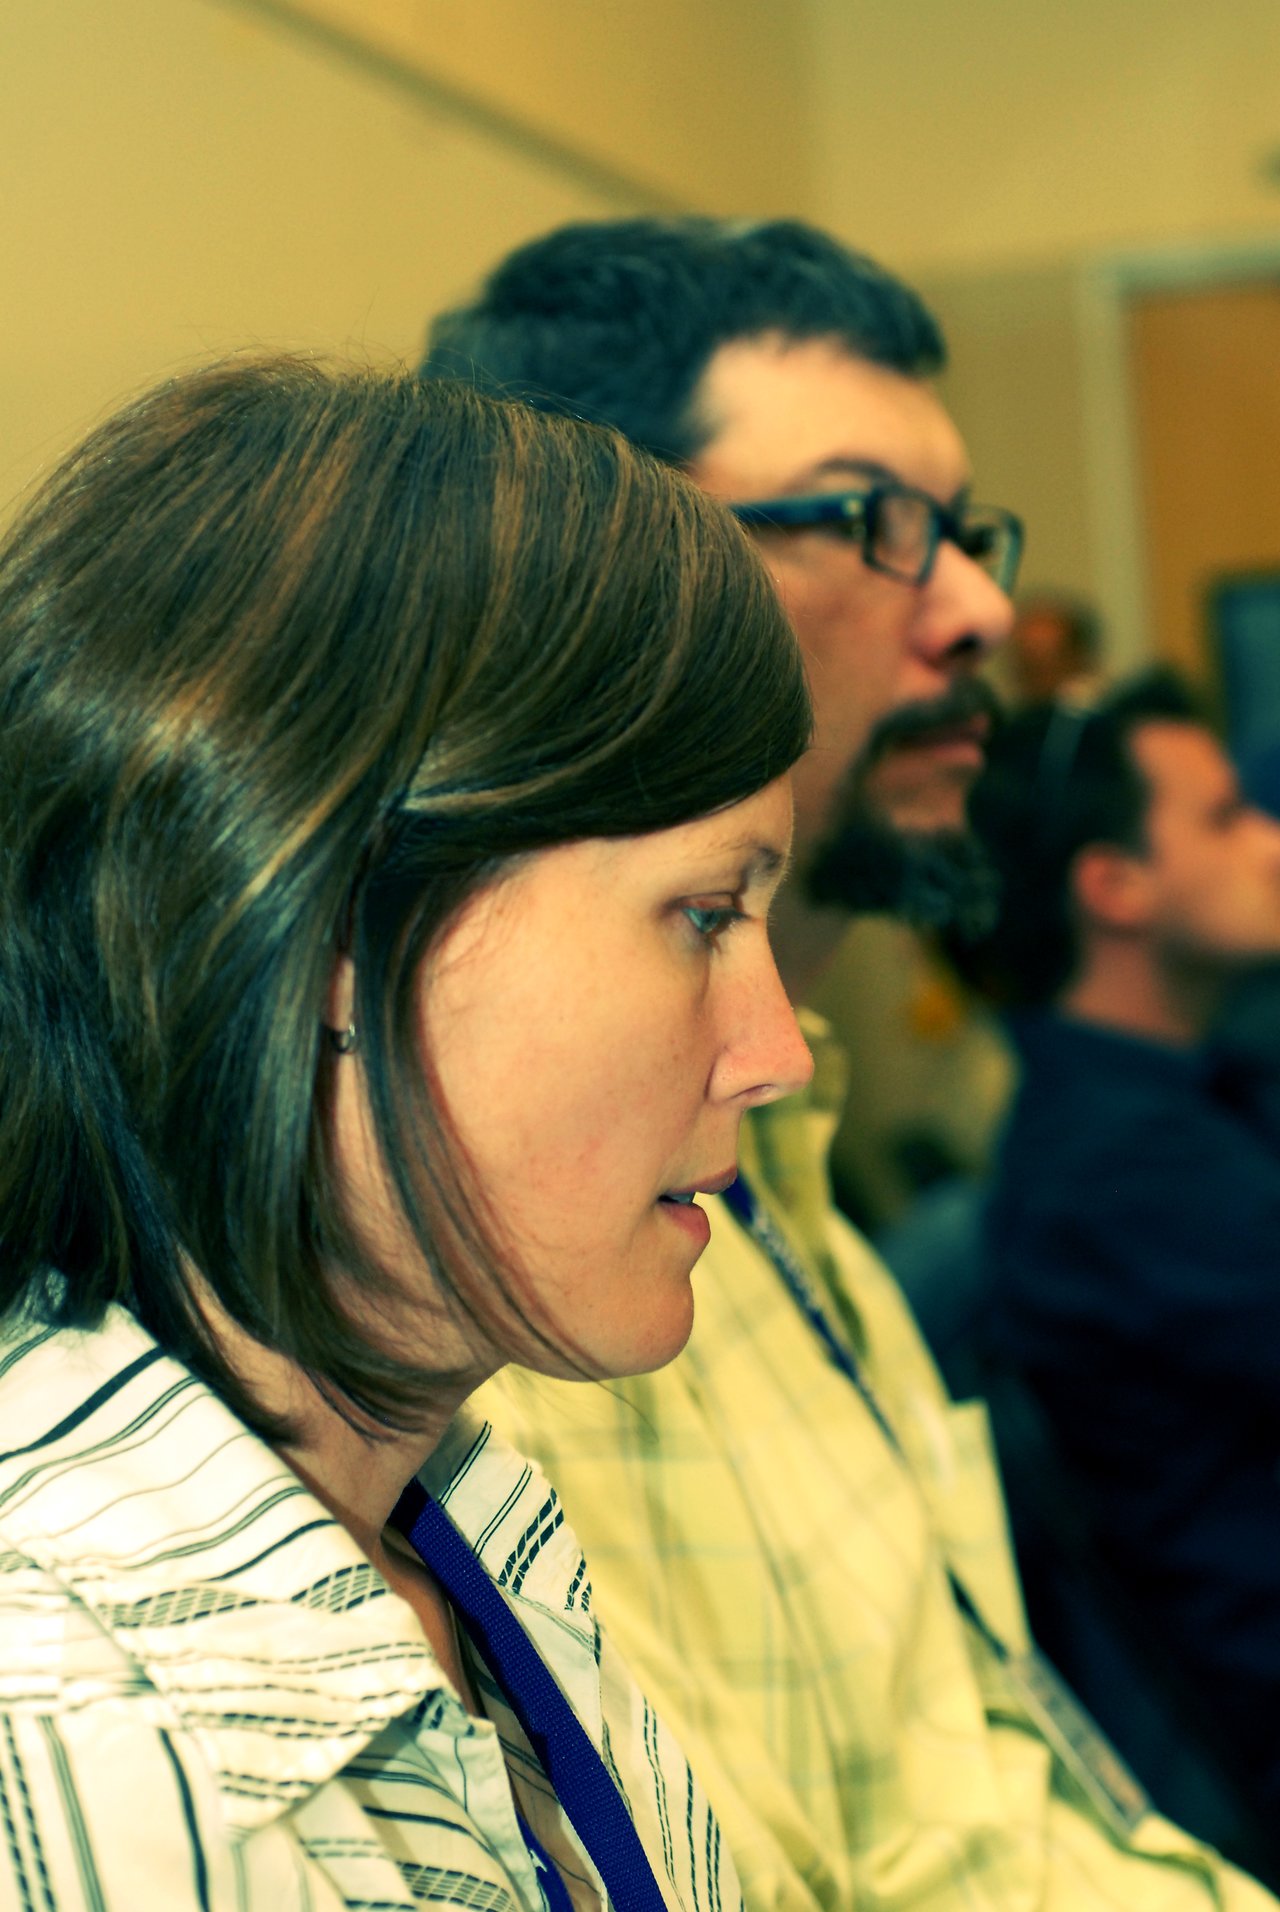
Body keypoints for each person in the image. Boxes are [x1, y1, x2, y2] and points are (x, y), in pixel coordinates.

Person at [424, 220, 1273, 1911]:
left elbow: (976, 1822)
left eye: (962, 531)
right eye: (867, 521)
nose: (977, 607)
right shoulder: (515, 1287)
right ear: (594, 565)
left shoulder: (798, 1187)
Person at [0, 357, 818, 1910]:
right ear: (323, 940)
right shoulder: (73, 1746)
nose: (771, 1054)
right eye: (704, 915)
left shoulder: (457, 1537)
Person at [958, 669, 1280, 1842]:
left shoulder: (1179, 1096)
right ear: (1113, 886)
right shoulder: (1117, 1170)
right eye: (1221, 817)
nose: (1268, 842)